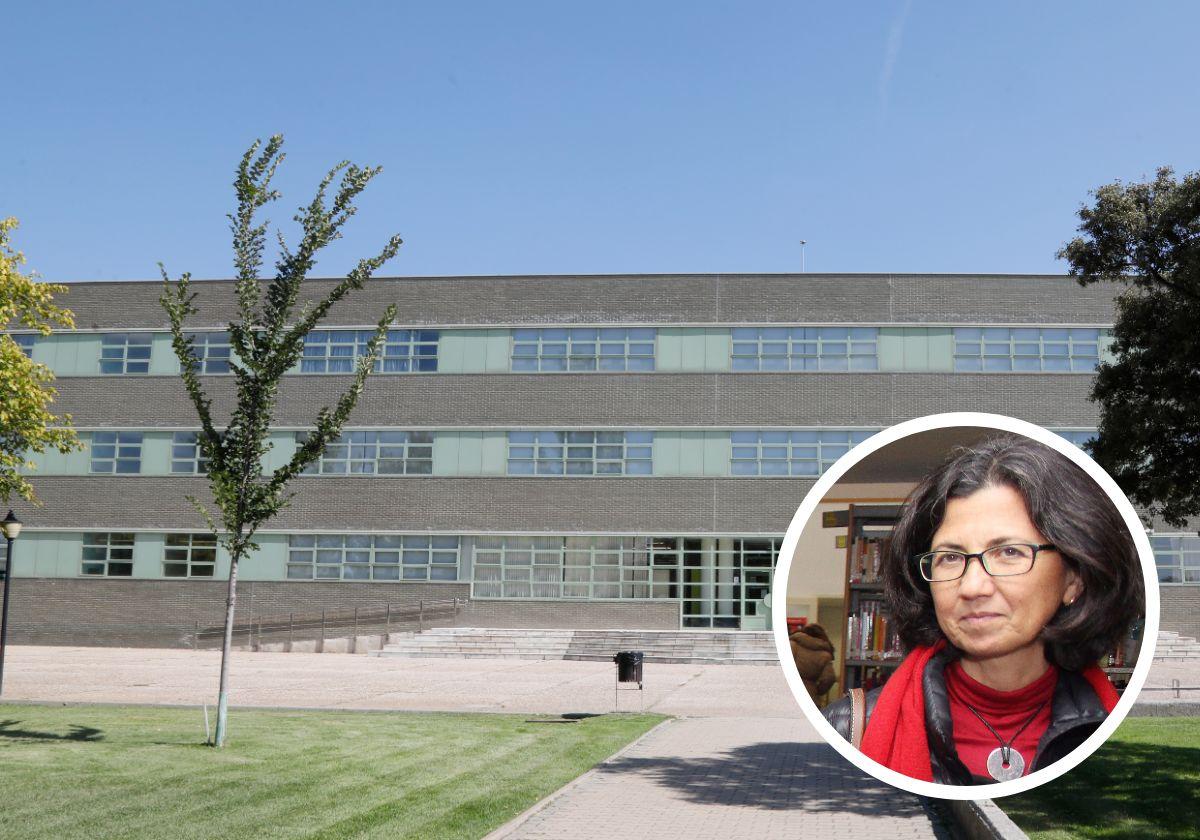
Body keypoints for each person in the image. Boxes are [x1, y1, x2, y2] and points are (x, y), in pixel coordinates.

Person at [824, 434, 1144, 784]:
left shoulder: (1120, 728)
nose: (973, 587)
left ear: (1073, 580)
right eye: (949, 557)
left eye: (1009, 553)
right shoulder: (845, 729)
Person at [790, 623, 838, 705]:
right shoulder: (824, 655)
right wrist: (816, 690)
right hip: (810, 697)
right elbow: (829, 678)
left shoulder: (792, 645)